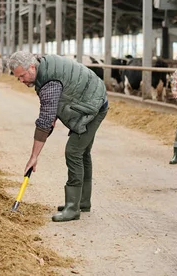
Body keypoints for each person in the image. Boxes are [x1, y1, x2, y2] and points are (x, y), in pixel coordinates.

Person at [8, 51, 109, 222]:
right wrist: (52, 117)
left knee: (74, 152)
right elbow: (53, 107)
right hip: (92, 97)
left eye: (23, 76)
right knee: (83, 153)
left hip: (93, 106)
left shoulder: (48, 82)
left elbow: (45, 120)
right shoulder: (44, 70)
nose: (22, 80)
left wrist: (33, 157)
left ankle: (72, 208)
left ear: (32, 67)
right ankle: (82, 202)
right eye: (18, 78)